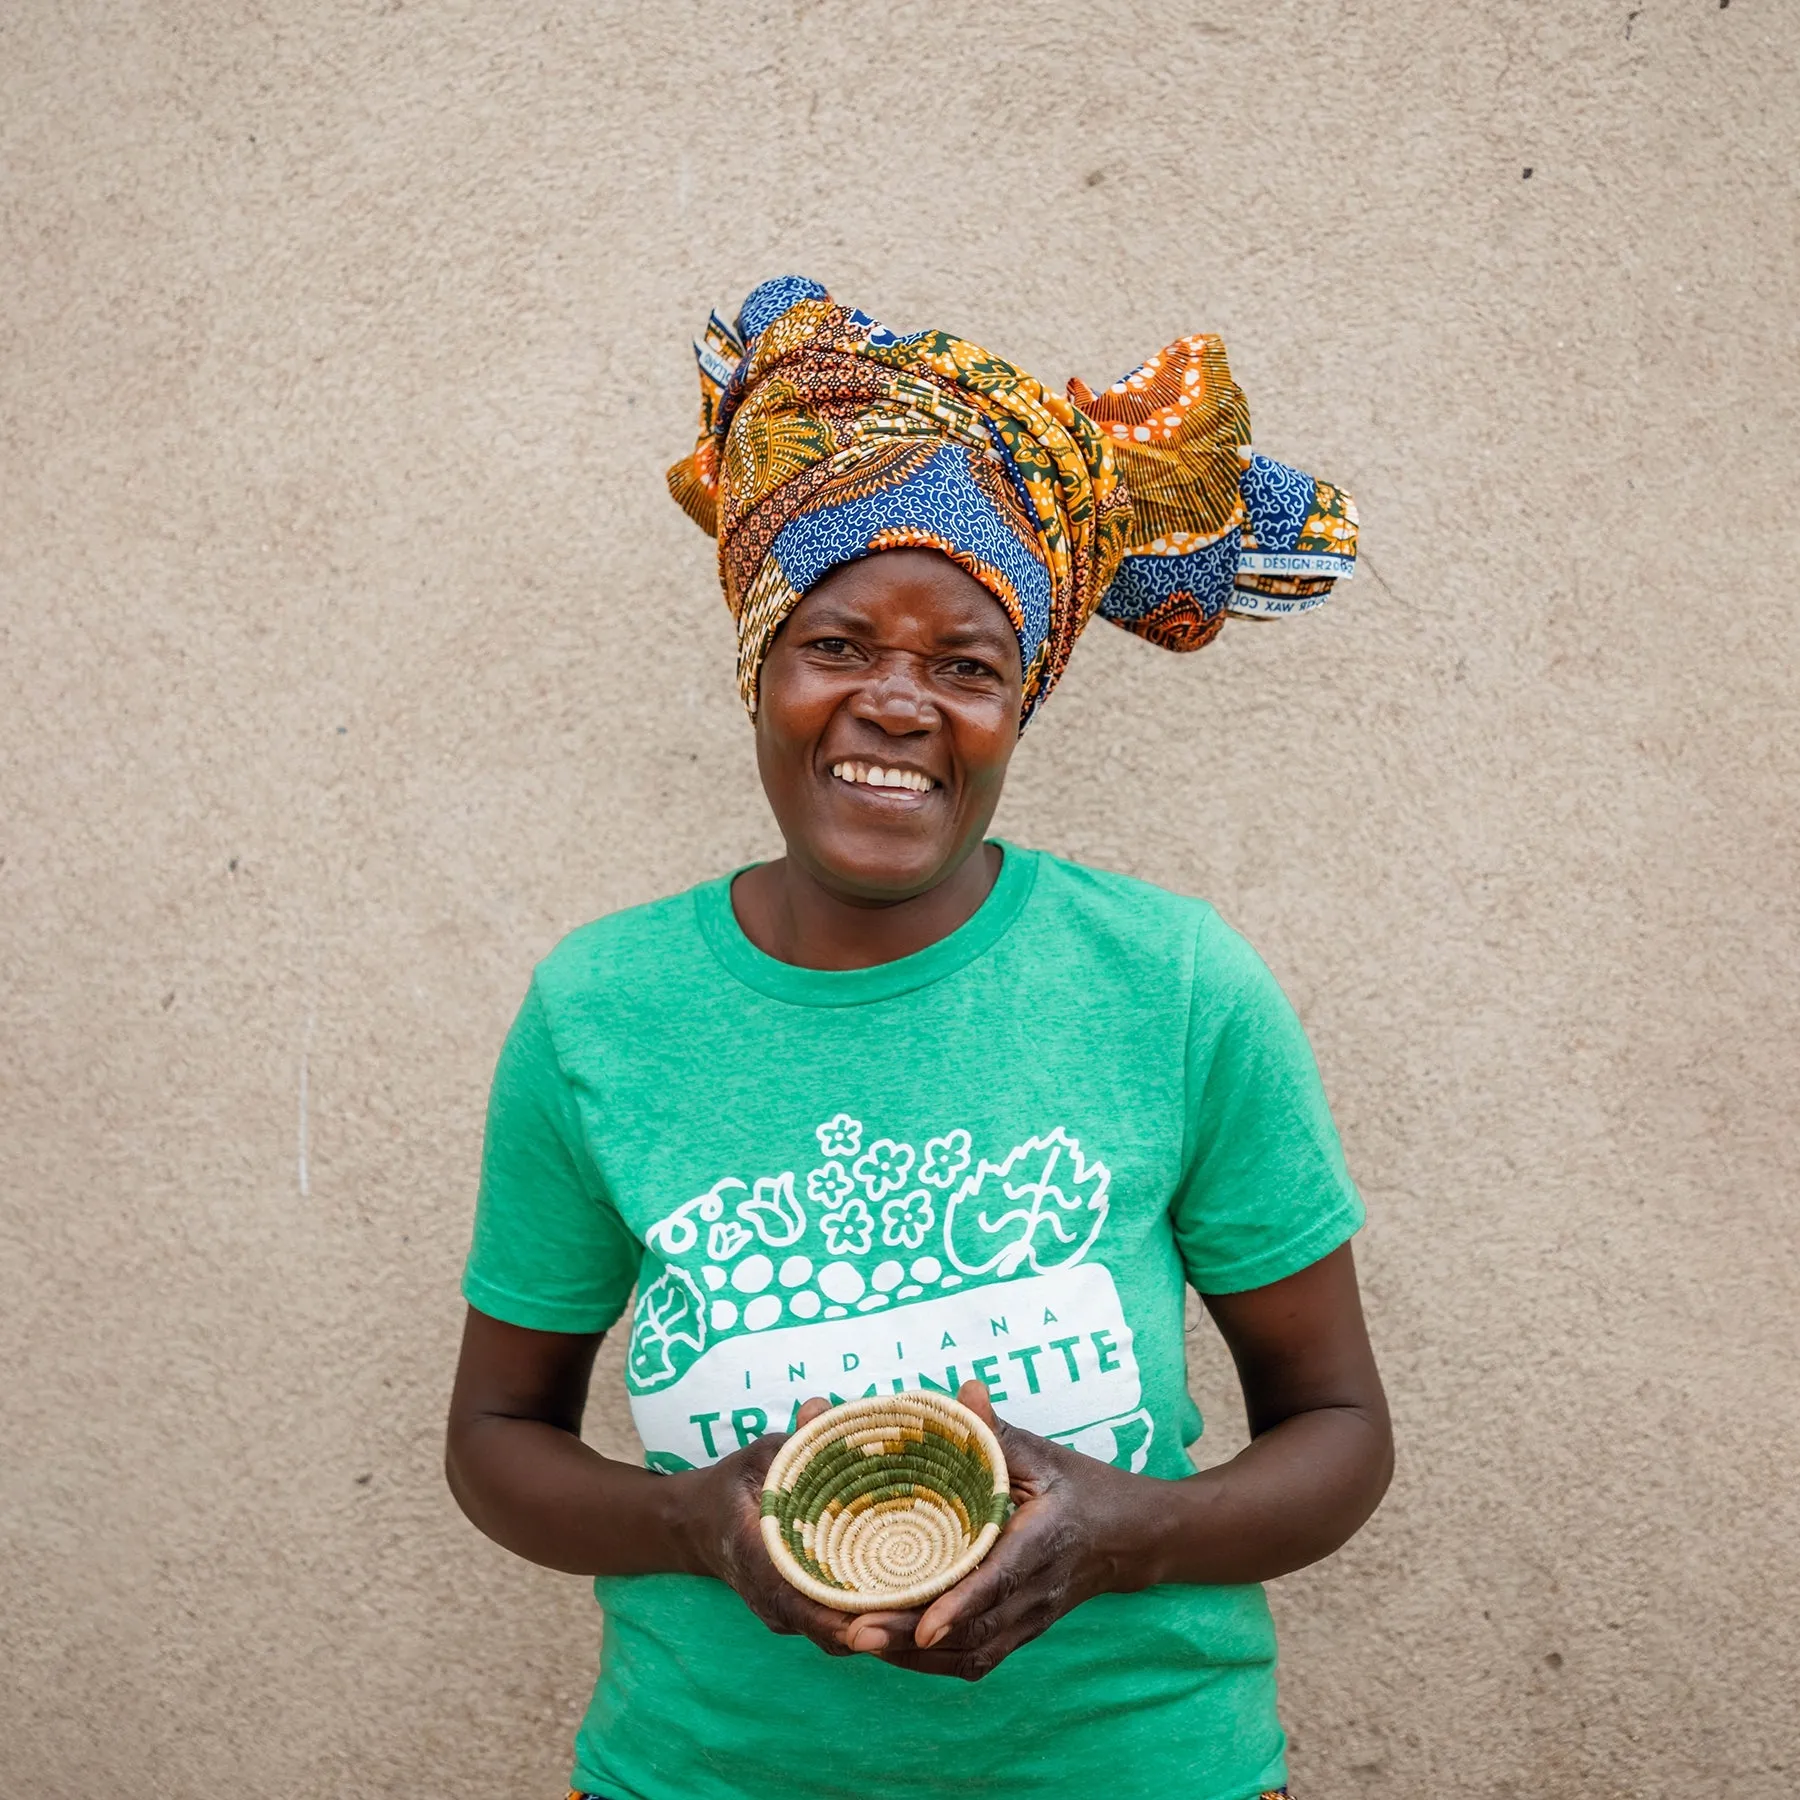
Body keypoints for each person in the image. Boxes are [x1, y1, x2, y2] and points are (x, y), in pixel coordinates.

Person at [446, 275, 1390, 1800]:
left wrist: (1124, 1532)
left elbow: (1338, 1430)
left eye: (967, 666)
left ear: (1018, 711)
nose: (898, 705)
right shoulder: (602, 1011)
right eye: (839, 646)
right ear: (763, 669)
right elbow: (497, 1439)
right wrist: (690, 1519)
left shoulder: (1174, 984)